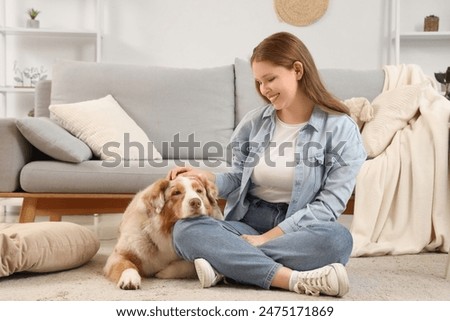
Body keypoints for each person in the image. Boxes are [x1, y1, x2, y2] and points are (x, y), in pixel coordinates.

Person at [167, 32, 366, 297]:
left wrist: (266, 239)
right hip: (247, 221)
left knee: (338, 241)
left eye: (270, 79)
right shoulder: (254, 122)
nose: (264, 90)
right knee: (185, 230)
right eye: (259, 82)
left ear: (297, 70)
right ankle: (292, 279)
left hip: (299, 229)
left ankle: (227, 265)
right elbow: (238, 177)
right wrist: (206, 179)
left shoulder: (341, 129)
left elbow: (329, 205)